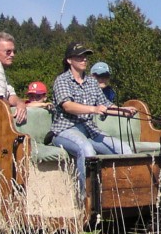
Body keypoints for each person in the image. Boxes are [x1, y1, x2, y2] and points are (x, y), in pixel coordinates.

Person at [49, 42, 134, 195]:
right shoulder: (62, 80)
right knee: (86, 150)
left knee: (124, 150)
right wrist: (94, 109)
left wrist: (123, 110)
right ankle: (87, 200)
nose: (84, 60)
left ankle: (122, 197)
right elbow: (67, 106)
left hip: (89, 130)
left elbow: (105, 105)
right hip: (65, 129)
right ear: (69, 60)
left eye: (85, 57)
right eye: (79, 57)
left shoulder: (92, 83)